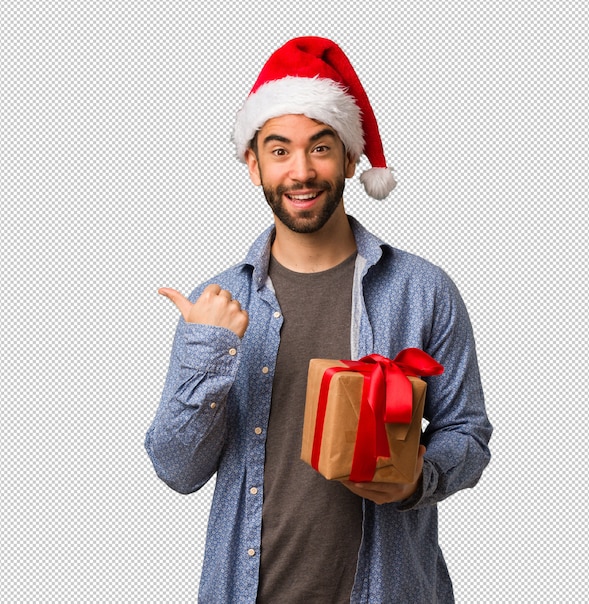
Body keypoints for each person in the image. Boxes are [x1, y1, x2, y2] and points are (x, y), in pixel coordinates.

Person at [145, 36, 492, 603]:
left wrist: (416, 479)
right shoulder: (223, 301)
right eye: (279, 151)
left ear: (351, 159)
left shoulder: (422, 290)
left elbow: (468, 434)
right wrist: (205, 351)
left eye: (321, 148)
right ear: (253, 165)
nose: (301, 171)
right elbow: (176, 469)